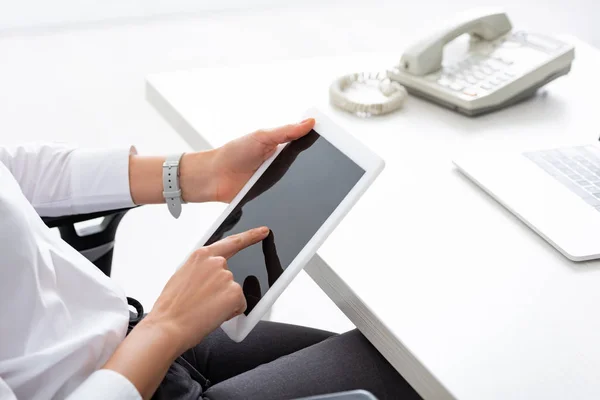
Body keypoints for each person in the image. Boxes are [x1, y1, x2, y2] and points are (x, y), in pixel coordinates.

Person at [0, 118, 420, 400]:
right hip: (124, 375)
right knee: (410, 377)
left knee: (396, 358)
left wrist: (201, 172)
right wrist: (169, 324)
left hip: (128, 338)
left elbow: (11, 168)